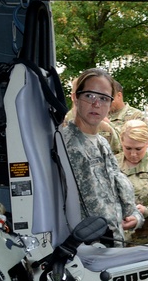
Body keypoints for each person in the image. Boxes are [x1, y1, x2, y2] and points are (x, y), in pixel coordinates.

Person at [60, 67, 143, 244]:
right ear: (75, 97)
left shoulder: (102, 143)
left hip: (110, 244)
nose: (97, 104)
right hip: (84, 249)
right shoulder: (63, 144)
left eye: (104, 98)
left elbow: (116, 185)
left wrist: (135, 216)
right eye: (90, 96)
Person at [108, 78, 148, 153]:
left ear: (119, 96)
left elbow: (135, 147)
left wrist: (107, 125)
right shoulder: (100, 115)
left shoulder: (136, 116)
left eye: (108, 98)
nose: (105, 102)